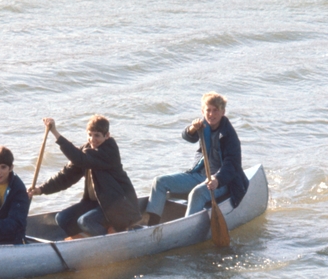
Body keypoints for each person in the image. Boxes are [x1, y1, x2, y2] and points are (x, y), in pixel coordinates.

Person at [141, 92, 249, 226]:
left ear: (223, 112)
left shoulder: (230, 136)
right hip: (200, 175)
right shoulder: (203, 126)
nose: (211, 114)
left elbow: (232, 165)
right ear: (203, 111)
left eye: (215, 110)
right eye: (208, 110)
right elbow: (187, 136)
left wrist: (217, 179)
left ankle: (185, 229)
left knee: (197, 193)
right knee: (159, 182)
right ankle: (151, 227)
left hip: (224, 181)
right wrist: (192, 128)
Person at [28, 115, 142, 238]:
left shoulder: (109, 150)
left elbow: (80, 158)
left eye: (97, 135)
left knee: (86, 221)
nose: (92, 139)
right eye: (90, 135)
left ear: (107, 136)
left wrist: (55, 133)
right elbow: (66, 176)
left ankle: (114, 238)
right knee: (62, 218)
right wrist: (41, 189)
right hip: (97, 203)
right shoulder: (86, 150)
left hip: (119, 206)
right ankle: (87, 239)